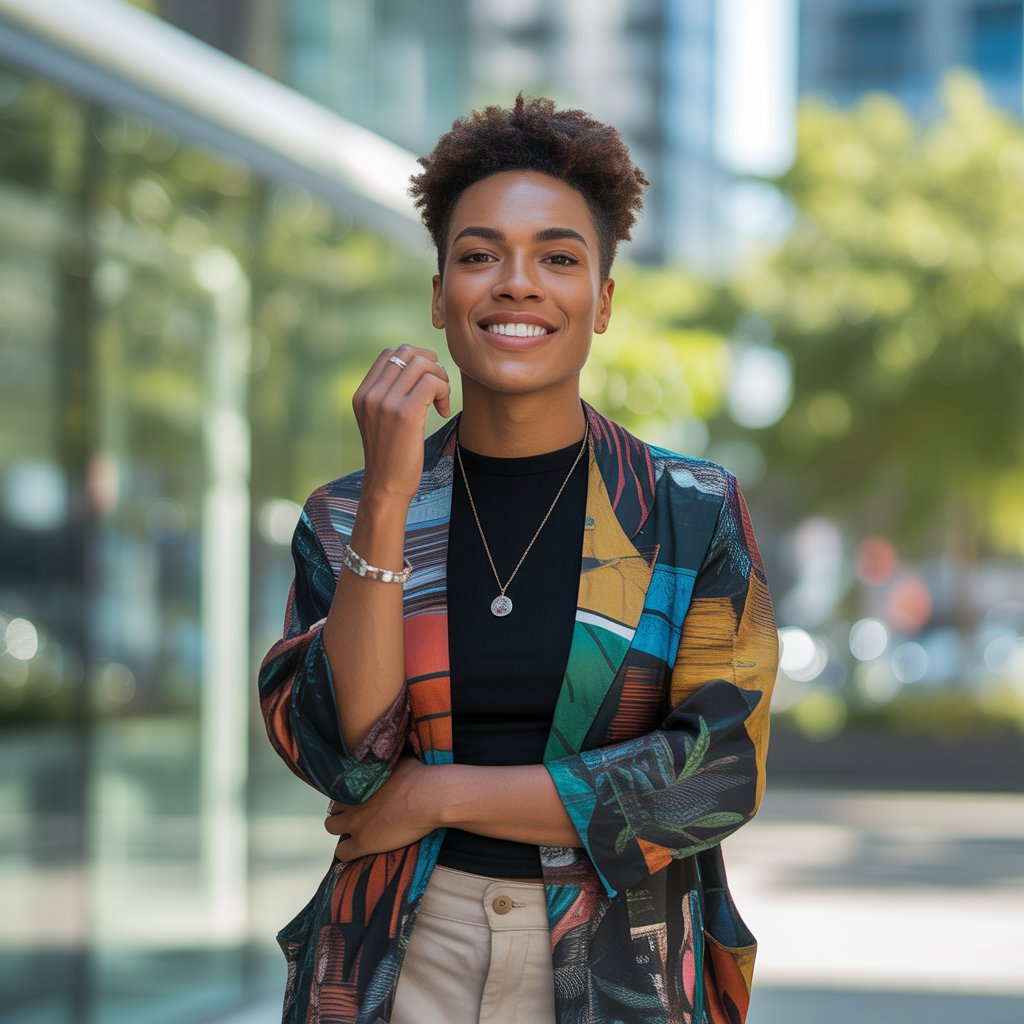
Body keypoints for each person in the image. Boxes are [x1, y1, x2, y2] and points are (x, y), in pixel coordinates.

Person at [258, 95, 778, 1024]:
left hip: (620, 959)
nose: (516, 282)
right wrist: (387, 498)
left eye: (558, 258)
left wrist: (439, 791)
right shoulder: (346, 513)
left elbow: (715, 776)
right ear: (438, 294)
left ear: (603, 302)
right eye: (479, 254)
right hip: (397, 956)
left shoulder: (688, 513)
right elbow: (343, 761)